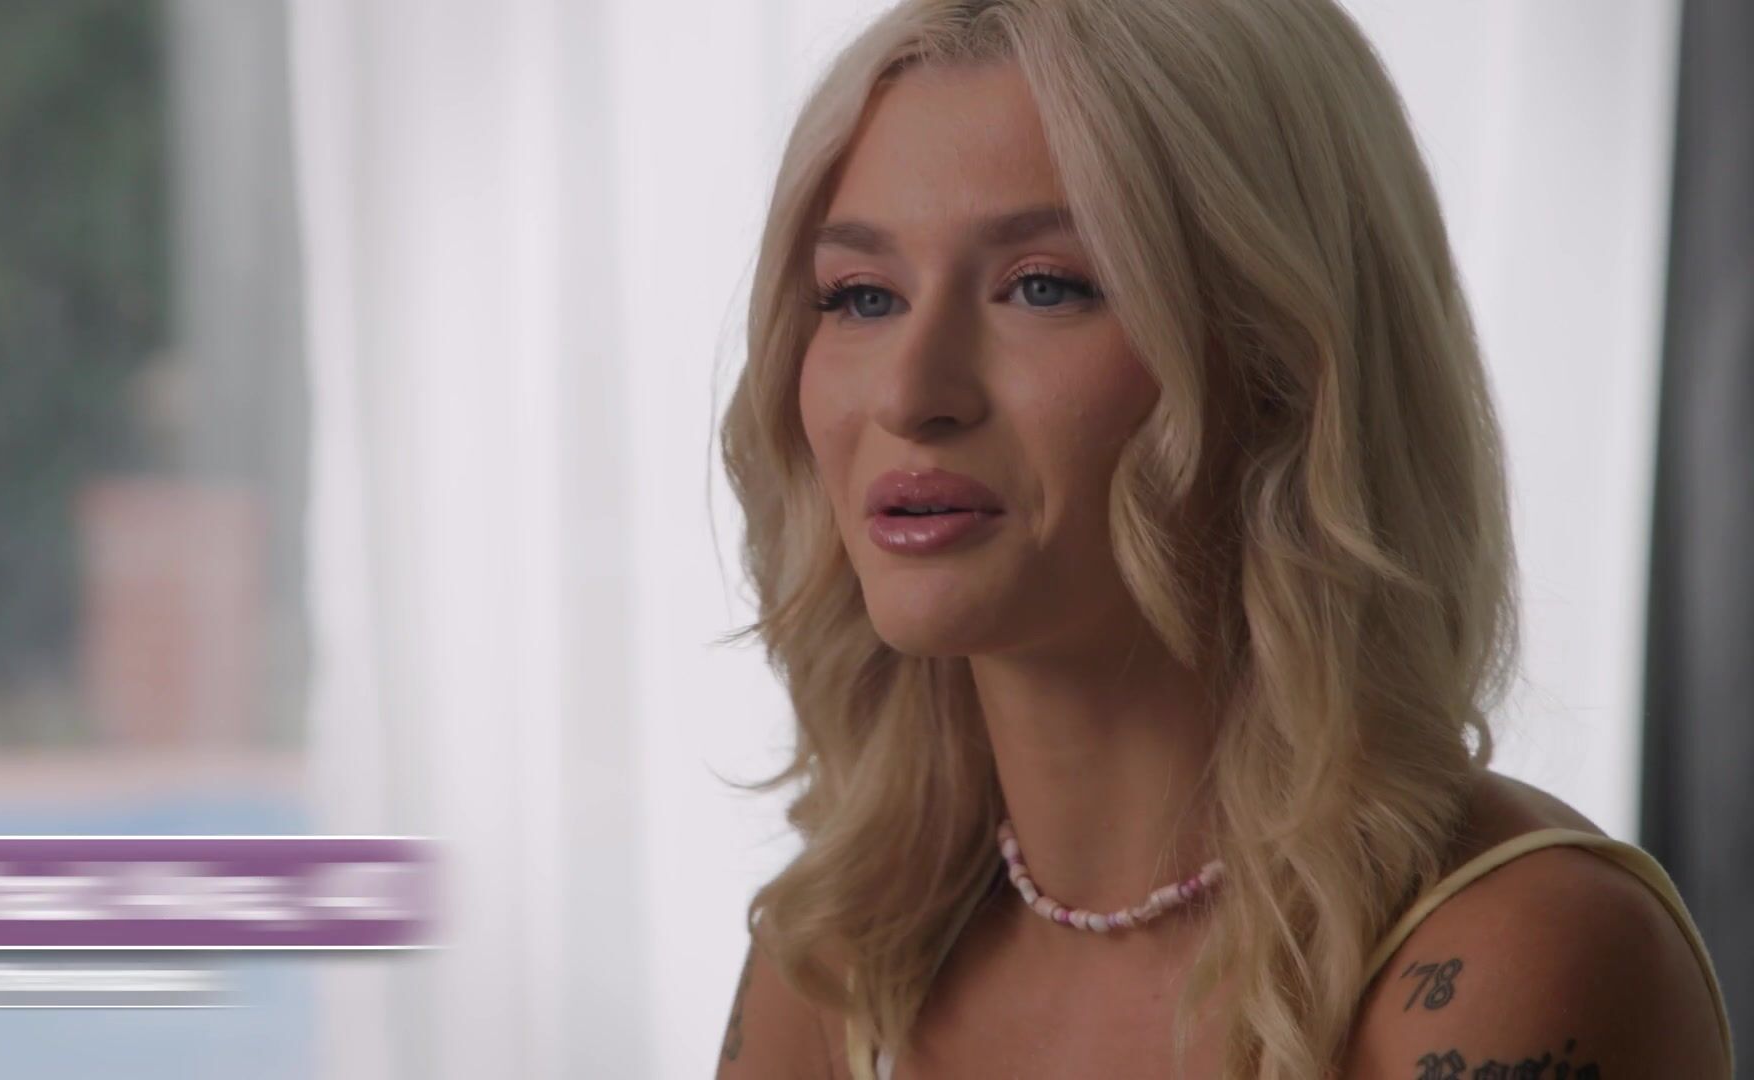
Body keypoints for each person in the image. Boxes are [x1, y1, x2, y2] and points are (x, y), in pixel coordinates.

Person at [710, 1, 1734, 1077]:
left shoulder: (1517, 959)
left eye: (1045, 286)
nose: (909, 394)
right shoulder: (839, 954)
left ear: (1283, 363)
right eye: (862, 297)